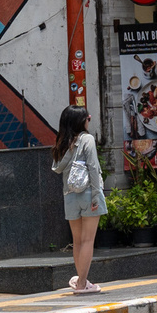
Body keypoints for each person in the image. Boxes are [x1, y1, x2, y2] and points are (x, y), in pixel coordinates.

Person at [52, 106, 107, 294]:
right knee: (87, 240)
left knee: (77, 241)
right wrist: (97, 195)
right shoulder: (87, 139)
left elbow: (57, 168)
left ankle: (82, 280)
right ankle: (82, 283)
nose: (89, 120)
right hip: (88, 193)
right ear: (81, 121)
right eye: (88, 118)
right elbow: (93, 166)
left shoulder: (62, 142)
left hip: (69, 196)